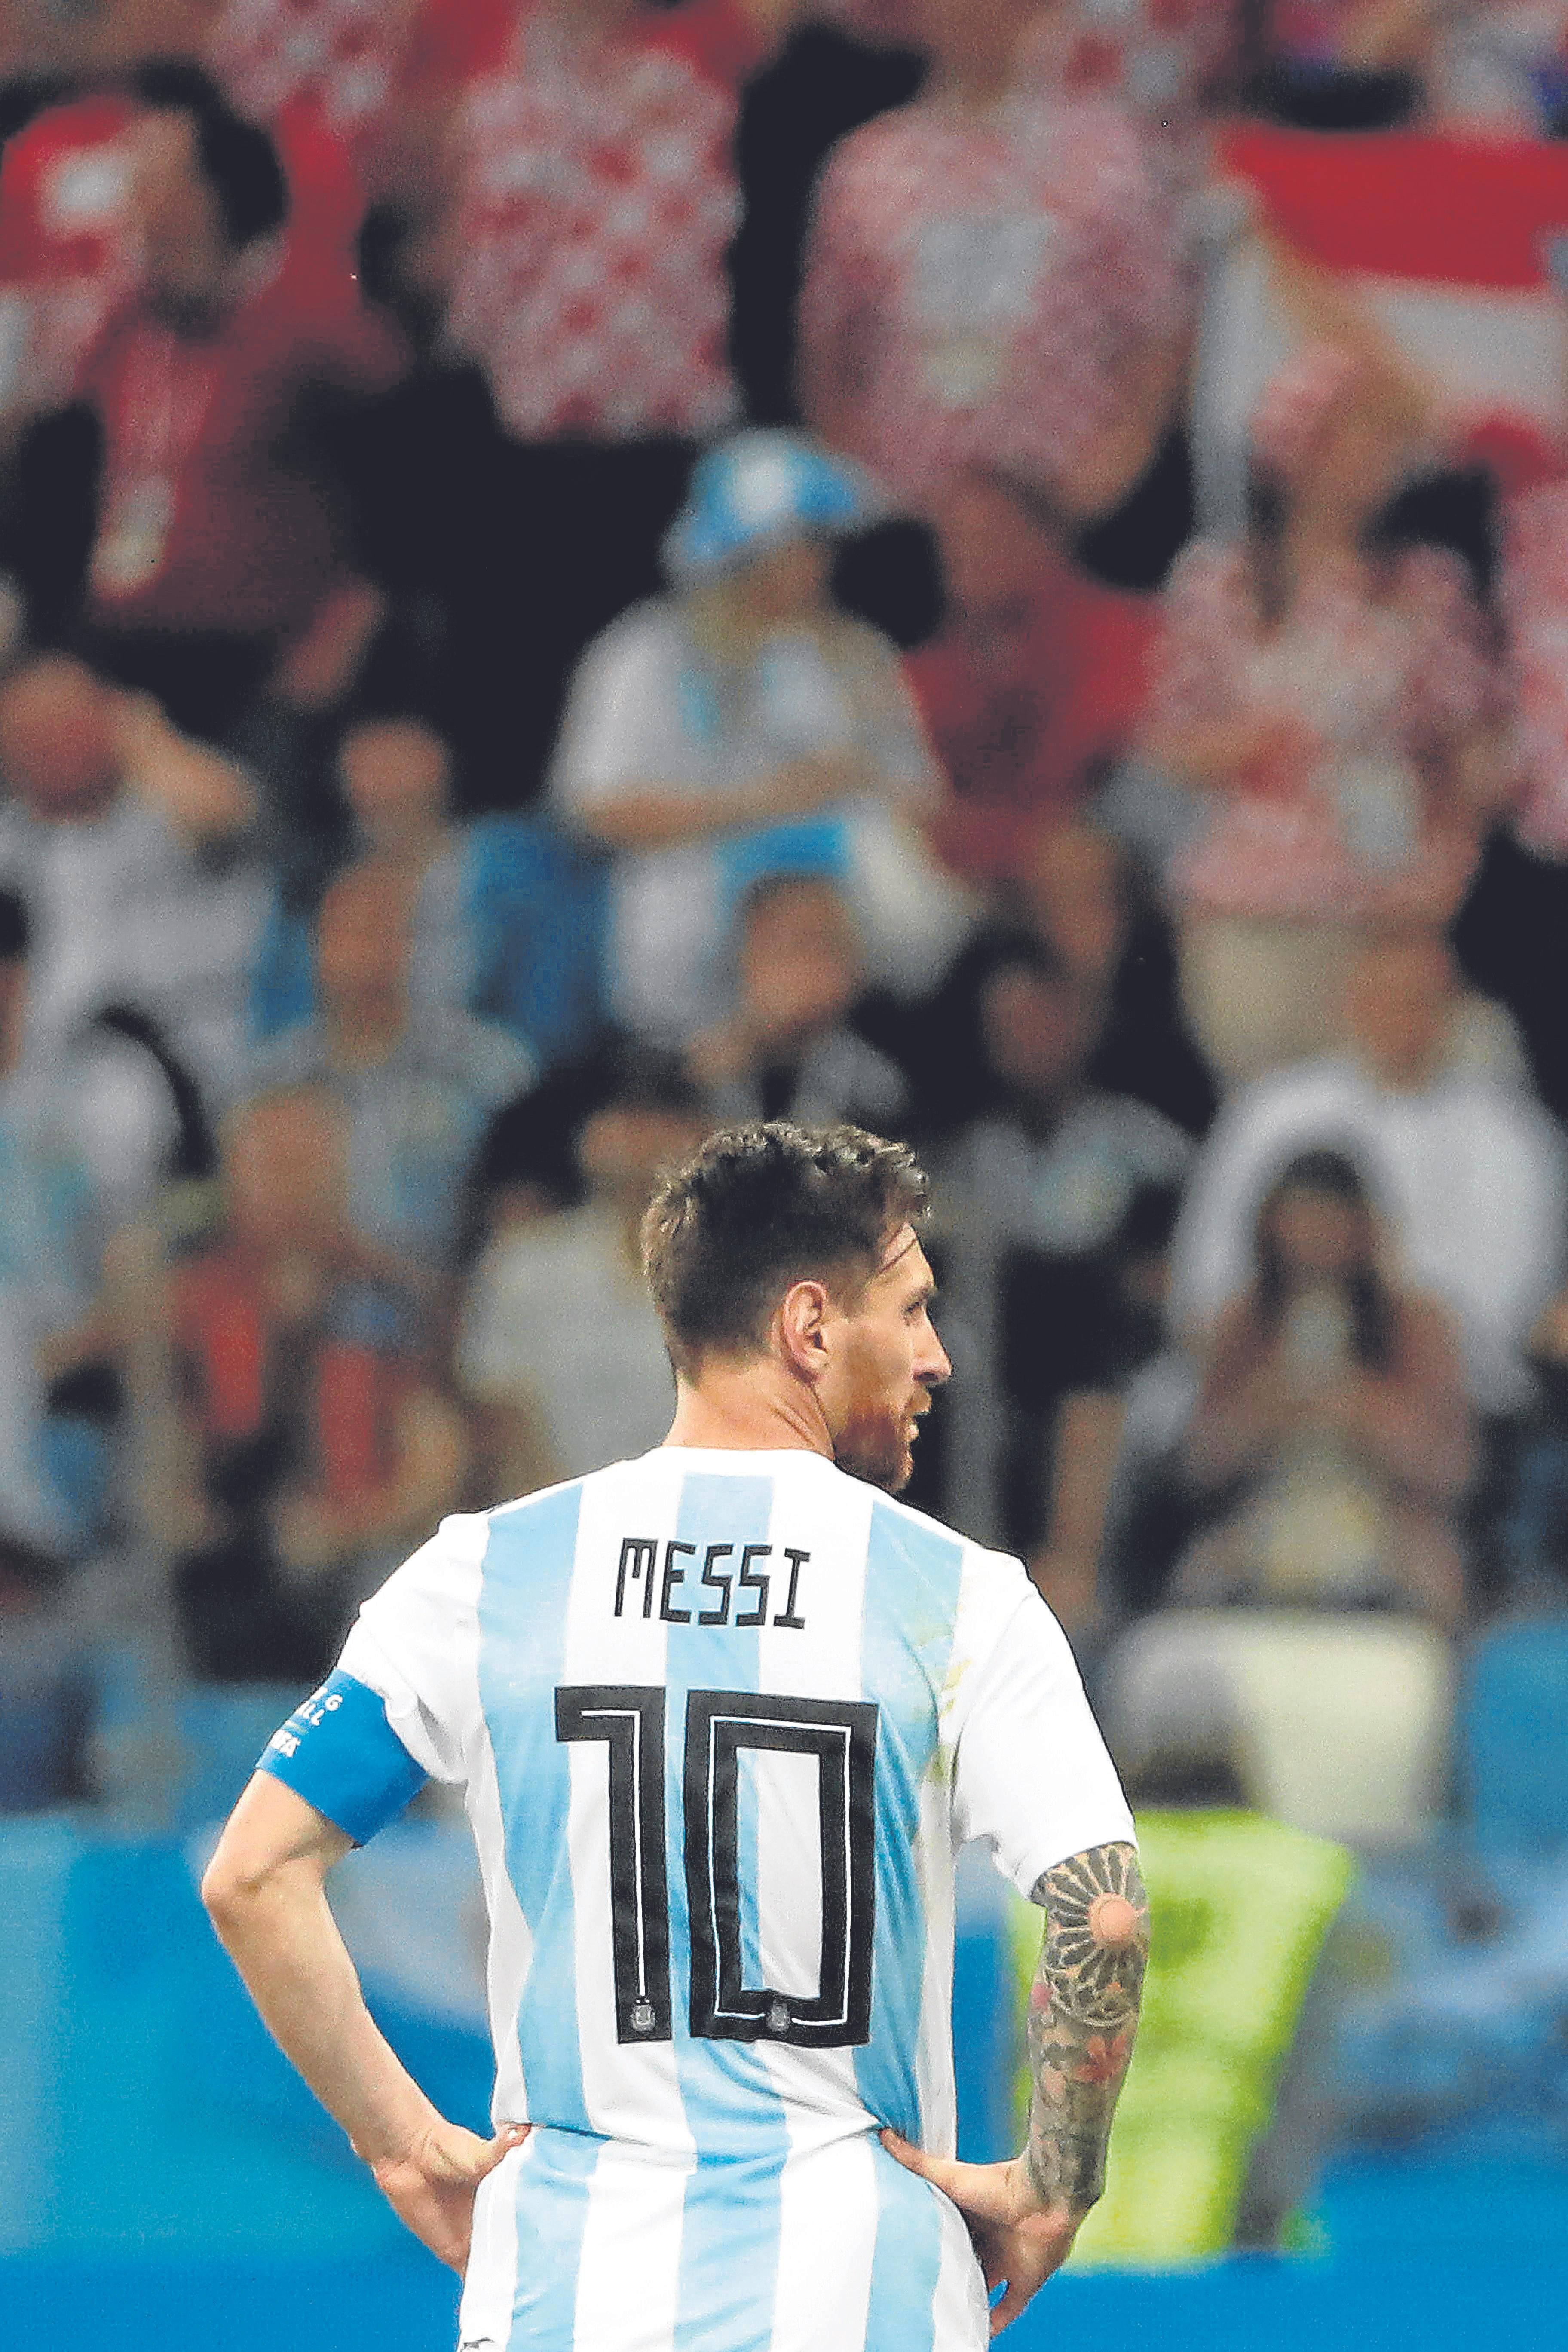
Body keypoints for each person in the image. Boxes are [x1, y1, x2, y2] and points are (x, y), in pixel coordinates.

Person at [200, 1119, 1148, 2346]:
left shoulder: (487, 1574)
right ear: (810, 1327)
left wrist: (401, 2143)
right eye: (912, 1311)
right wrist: (1054, 2184)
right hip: (856, 2295)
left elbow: (253, 1875)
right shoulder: (958, 1599)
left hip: (562, 2292)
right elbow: (1102, 1910)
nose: (939, 1359)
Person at [550, 427, 970, 1043]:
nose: (814, 566)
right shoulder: (645, 651)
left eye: (819, 547)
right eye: (795, 547)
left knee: (918, 901)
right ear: (738, 552)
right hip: (697, 892)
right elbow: (596, 809)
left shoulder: (857, 652)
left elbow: (922, 799)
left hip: (846, 901)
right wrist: (764, 803)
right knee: (675, 935)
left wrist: (860, 781)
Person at [1176, 1147, 1474, 1628]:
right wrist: (1259, 1412)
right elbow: (1199, 1467)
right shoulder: (1242, 1323)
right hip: (1269, 1511)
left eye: (1330, 1224)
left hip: (1386, 1517)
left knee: (1436, 1582)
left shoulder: (1417, 1324)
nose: (1315, 1241)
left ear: (1363, 1230)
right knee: (1194, 1586)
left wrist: (1361, 1408)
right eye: (1301, 1223)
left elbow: (1451, 1472)